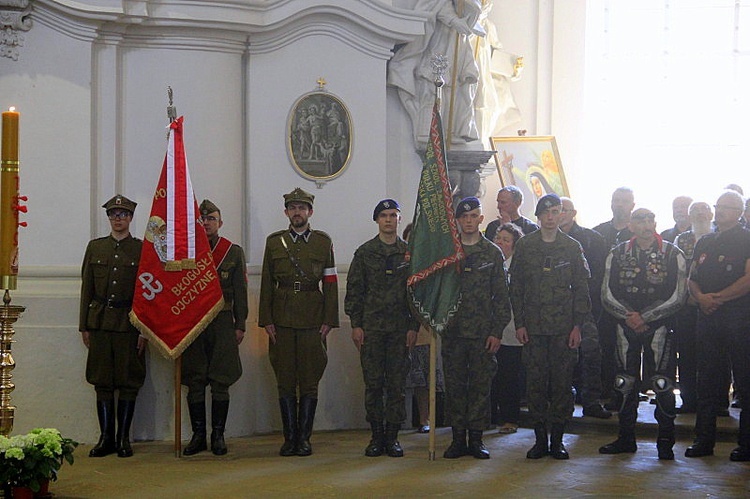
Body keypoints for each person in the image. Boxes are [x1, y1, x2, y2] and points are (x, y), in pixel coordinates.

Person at [599, 208, 687, 460]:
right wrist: (629, 316)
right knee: (624, 383)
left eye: (650, 220)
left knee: (662, 383)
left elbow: (678, 295)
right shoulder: (616, 253)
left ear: (656, 223)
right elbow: (606, 292)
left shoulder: (673, 253)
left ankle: (666, 443)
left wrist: (646, 317)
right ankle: (625, 438)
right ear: (630, 225)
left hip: (659, 327)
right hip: (625, 326)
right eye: (640, 220)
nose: (646, 225)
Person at [258, 187, 339, 457]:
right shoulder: (273, 243)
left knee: (309, 379)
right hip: (281, 318)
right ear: (286, 212)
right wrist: (266, 320)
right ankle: (288, 438)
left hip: (312, 318)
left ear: (310, 212)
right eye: (292, 208)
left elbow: (329, 282)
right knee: (284, 379)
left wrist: (329, 319)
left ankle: (304, 438)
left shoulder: (322, 242)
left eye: (302, 208)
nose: (297, 212)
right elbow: (267, 284)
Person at [510, 193, 590, 460]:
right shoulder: (525, 246)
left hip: (562, 330)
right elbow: (516, 289)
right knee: (535, 386)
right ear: (539, 216)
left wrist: (578, 325)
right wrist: (519, 324)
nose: (551, 217)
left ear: (562, 214)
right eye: (546, 212)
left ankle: (557, 440)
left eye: (556, 211)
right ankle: (539, 440)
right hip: (533, 329)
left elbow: (581, 289)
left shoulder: (571, 247)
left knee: (561, 386)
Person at [345, 199, 419, 458]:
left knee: (397, 385)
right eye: (384, 216)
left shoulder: (410, 254)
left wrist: (414, 326)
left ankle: (393, 437)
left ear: (400, 220)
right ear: (377, 220)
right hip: (372, 329)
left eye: (393, 215)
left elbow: (415, 294)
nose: (388, 220)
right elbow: (355, 291)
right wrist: (356, 325)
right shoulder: (365, 253)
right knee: (374, 384)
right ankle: (376, 436)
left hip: (400, 330)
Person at [442, 197, 510, 459]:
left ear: (481, 219)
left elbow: (502, 297)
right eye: (464, 217)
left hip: (483, 334)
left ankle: (477, 439)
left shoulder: (492, 253)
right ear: (457, 221)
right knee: (456, 387)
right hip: (454, 332)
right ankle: (458, 438)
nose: (469, 222)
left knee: (481, 387)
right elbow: (438, 294)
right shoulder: (448, 254)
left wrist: (496, 331)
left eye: (474, 217)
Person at [685, 190, 750, 461]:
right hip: (707, 317)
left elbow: (749, 278)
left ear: (740, 212)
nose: (720, 211)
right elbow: (692, 277)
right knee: (707, 380)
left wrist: (718, 298)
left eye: (727, 207)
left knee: (745, 382)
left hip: (738, 319)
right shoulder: (706, 241)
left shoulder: (747, 239)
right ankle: (704, 440)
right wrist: (700, 297)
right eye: (718, 206)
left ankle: (746, 444)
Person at [79, 194, 146, 458]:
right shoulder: (96, 248)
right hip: (100, 323)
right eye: (114, 215)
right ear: (109, 218)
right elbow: (88, 287)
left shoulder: (141, 250)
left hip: (130, 323)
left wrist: (145, 329)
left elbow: (147, 292)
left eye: (123, 215)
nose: (118, 219)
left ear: (130, 218)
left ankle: (123, 438)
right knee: (102, 381)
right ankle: (105, 437)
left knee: (129, 381)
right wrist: (84, 325)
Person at [181, 200, 248, 456]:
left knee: (221, 379)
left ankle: (218, 434)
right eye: (202, 219)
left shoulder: (232, 252)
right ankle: (198, 436)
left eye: (212, 219)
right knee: (195, 379)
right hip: (194, 324)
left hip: (222, 322)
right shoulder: (185, 251)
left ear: (220, 223)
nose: (207, 223)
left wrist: (240, 324)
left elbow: (240, 292)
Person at [387, 0, 484, 145]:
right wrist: (453, 20)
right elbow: (433, 4)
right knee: (432, 82)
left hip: (457, 39)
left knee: (457, 84)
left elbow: (472, 9)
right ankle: (427, 130)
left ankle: (450, 130)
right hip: (439, 36)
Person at [559, 197, 611, 419]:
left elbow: (599, 276)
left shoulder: (591, 239)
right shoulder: (541, 241)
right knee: (559, 357)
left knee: (591, 353)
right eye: (554, 210)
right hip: (554, 308)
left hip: (585, 306)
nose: (559, 214)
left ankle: (591, 400)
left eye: (564, 210)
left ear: (573, 213)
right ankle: (563, 402)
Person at [401, 223, 445, 434]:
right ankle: (409, 418)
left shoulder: (431, 266)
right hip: (401, 326)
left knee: (427, 377)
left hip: (426, 327)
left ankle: (429, 417)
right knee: (411, 377)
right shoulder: (401, 264)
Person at [593, 187, 635, 408]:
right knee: (605, 348)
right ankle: (606, 391)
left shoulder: (638, 235)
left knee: (626, 351)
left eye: (624, 201)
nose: (619, 204)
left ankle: (626, 394)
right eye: (616, 200)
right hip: (602, 303)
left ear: (632, 205)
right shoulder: (598, 232)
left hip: (629, 304)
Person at [673, 202, 713, 414]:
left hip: (716, 304)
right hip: (687, 306)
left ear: (711, 213)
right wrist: (688, 297)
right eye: (694, 211)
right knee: (687, 354)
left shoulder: (719, 237)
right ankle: (688, 400)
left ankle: (717, 402)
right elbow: (679, 271)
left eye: (703, 209)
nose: (699, 213)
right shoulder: (683, 239)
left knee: (716, 355)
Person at [491, 223, 524, 434]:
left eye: (506, 239)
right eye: (498, 238)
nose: (500, 242)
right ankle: (491, 416)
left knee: (509, 376)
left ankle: (510, 418)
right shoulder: (491, 263)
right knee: (491, 376)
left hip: (512, 330)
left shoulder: (518, 268)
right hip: (490, 329)